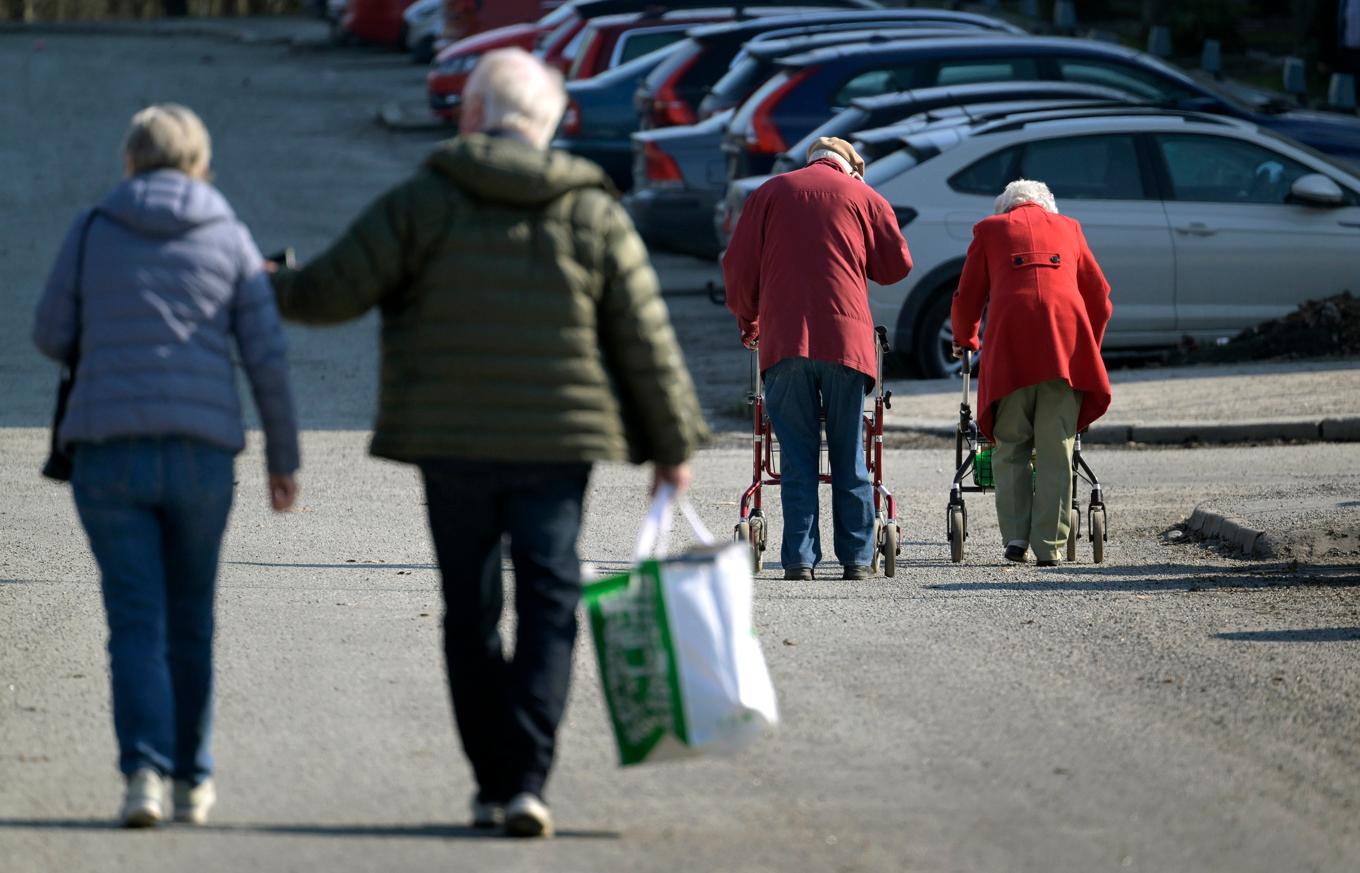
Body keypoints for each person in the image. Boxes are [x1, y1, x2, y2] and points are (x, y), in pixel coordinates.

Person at [268, 47, 707, 838]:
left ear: (473, 116)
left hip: (453, 442)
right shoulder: (592, 209)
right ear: (551, 124)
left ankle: (490, 779)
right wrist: (671, 445)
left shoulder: (424, 201)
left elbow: (332, 290)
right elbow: (645, 335)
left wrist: (261, 280)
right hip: (556, 446)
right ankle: (528, 778)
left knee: (469, 610)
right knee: (550, 600)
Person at [31, 104, 300, 828]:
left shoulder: (91, 230)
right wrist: (283, 457)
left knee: (134, 620)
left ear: (129, 162)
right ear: (200, 166)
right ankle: (193, 778)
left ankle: (142, 776)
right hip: (200, 455)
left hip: (108, 453)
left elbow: (51, 333)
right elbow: (267, 357)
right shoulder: (231, 237)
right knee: (192, 617)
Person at [722, 136, 911, 581]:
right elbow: (896, 266)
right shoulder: (864, 195)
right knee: (850, 453)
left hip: (784, 339)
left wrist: (748, 321)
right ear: (851, 168)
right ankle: (858, 559)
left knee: (797, 454)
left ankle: (799, 560)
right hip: (846, 342)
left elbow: (738, 267)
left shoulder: (769, 192)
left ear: (809, 161)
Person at [950, 179, 1112, 566]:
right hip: (1064, 352)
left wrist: (965, 339)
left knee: (1010, 446)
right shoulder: (1069, 227)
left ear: (1005, 208)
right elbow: (1100, 300)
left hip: (1010, 353)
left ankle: (1016, 539)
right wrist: (1089, 346)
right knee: (1057, 450)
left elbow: (968, 295)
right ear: (1047, 206)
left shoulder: (989, 230)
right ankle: (1050, 547)